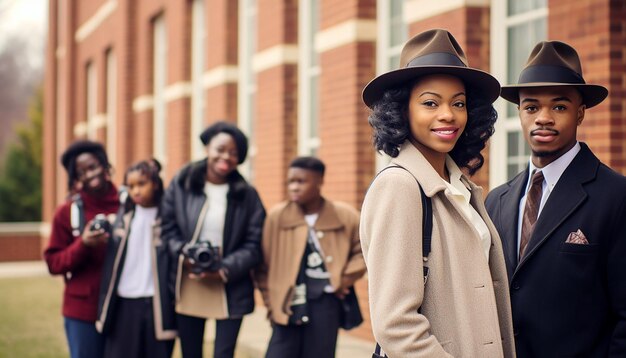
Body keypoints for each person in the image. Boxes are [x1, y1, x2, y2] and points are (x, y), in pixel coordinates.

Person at [359, 29, 515, 357]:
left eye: (458, 103)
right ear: (403, 110)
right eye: (431, 102)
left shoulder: (461, 186)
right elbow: (396, 324)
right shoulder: (399, 186)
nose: (448, 114)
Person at [485, 40, 626, 357]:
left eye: (559, 107)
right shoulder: (496, 201)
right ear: (520, 113)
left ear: (580, 113)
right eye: (531, 107)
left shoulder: (616, 197)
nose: (543, 118)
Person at [161, 121, 266, 358]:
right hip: (188, 280)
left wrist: (224, 269)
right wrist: (184, 253)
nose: (226, 157)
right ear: (207, 147)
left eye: (234, 153)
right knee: (191, 353)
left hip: (230, 284)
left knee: (224, 354)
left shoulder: (247, 195)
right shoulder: (182, 183)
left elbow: (255, 243)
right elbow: (166, 228)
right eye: (220, 149)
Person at [255, 156, 366, 358]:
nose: (294, 187)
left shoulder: (345, 215)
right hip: (288, 302)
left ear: (319, 181)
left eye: (301, 181)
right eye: (291, 182)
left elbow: (364, 252)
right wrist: (272, 304)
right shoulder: (277, 217)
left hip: (325, 302)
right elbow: (263, 266)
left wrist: (343, 279)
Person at [44, 140, 120, 358]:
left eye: (93, 166)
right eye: (81, 172)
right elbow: (53, 263)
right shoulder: (67, 212)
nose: (90, 174)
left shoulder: (127, 204)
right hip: (83, 312)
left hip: (122, 309)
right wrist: (83, 244)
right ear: (75, 178)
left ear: (105, 166)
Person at [96, 159, 176, 358]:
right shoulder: (123, 220)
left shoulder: (167, 220)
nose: (136, 191)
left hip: (155, 303)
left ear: (155, 184)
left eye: (142, 184)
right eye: (131, 187)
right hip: (124, 302)